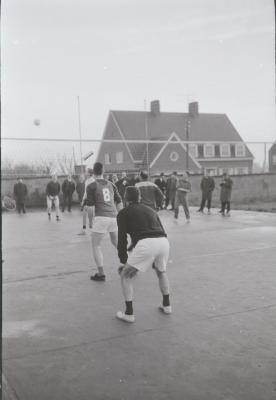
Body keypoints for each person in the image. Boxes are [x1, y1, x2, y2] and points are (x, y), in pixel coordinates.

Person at [116, 186, 171, 323]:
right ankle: (167, 305)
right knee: (161, 272)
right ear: (139, 197)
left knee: (125, 275)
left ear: (126, 198)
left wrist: (124, 262)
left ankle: (129, 314)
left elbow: (122, 239)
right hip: (163, 242)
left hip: (146, 244)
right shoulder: (151, 210)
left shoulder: (123, 213)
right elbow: (158, 230)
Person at [86, 162, 123, 281]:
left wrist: (91, 222)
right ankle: (129, 264)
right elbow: (119, 201)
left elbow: (90, 207)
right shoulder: (112, 184)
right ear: (103, 171)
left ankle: (101, 273)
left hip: (101, 217)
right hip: (113, 216)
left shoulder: (91, 186)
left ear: (93, 172)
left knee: (96, 245)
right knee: (116, 242)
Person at [78, 169, 95, 235]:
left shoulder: (93, 180)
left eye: (86, 172)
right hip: (87, 199)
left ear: (89, 173)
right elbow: (85, 191)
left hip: (92, 200)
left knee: (91, 216)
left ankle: (93, 230)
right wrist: (83, 200)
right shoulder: (86, 181)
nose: (85, 172)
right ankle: (84, 230)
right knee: (84, 214)